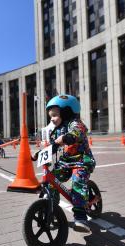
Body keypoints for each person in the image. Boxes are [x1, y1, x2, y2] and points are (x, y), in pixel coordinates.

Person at [46, 94, 96, 233]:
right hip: (66, 163)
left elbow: (79, 131)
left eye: (55, 115)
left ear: (67, 111)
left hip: (81, 161)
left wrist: (70, 136)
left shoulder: (74, 123)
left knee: (78, 182)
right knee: (51, 181)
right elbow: (53, 146)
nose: (52, 118)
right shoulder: (56, 131)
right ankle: (51, 210)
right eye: (50, 116)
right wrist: (39, 154)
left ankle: (80, 217)